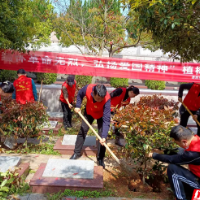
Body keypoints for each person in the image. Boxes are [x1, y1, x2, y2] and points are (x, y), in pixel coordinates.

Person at [148, 125, 200, 200]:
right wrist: (162, 151)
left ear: (184, 141)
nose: (179, 146)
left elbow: (173, 159)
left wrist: (153, 155)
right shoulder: (196, 139)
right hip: (197, 177)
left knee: (173, 170)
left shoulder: (193, 154)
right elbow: (179, 151)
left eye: (178, 143)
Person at [70, 84, 111, 168]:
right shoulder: (87, 89)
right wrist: (78, 106)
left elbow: (107, 119)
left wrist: (104, 136)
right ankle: (76, 153)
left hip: (101, 115)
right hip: (89, 112)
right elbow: (80, 94)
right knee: (82, 130)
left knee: (102, 137)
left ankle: (100, 158)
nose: (100, 100)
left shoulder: (107, 98)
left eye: (101, 99)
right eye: (98, 98)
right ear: (93, 93)